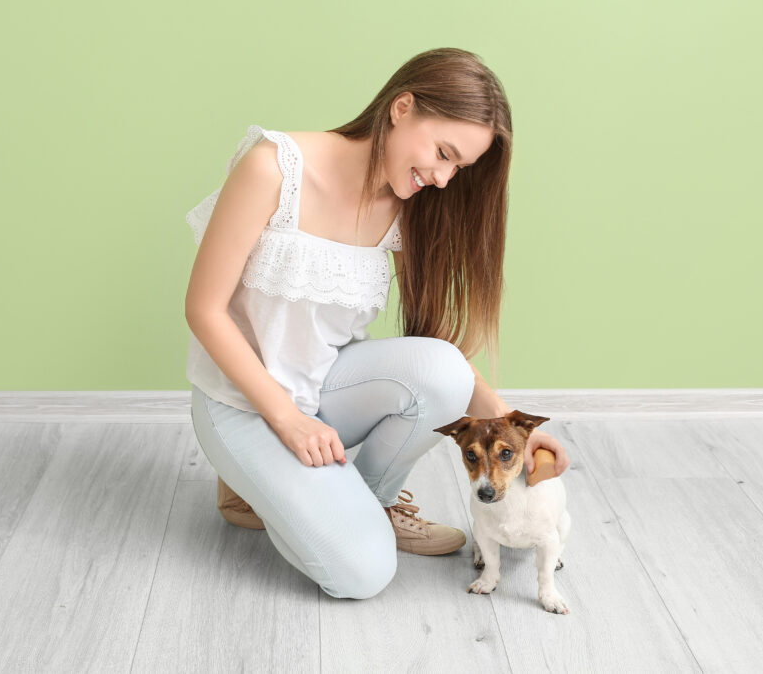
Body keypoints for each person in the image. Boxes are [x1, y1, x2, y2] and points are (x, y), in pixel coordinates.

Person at [183, 47, 571, 600]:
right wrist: (289, 421)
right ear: (402, 107)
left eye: (457, 168)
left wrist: (517, 427)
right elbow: (203, 309)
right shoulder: (274, 167)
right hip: (241, 405)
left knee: (444, 371)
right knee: (363, 573)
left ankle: (360, 504)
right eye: (443, 152)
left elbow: (436, 352)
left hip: (327, 394)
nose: (442, 178)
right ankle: (266, 491)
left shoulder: (410, 202)